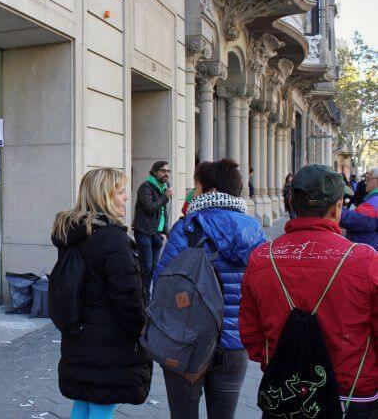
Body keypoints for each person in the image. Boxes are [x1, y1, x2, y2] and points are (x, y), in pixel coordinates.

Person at [240, 164, 377, 418]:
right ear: (337, 208)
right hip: (351, 394)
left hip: (286, 391)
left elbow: (251, 335)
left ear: (291, 202)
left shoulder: (261, 258)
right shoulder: (365, 260)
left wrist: (281, 361)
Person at [154, 159, 266, 419]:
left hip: (186, 341)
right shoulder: (255, 231)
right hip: (235, 342)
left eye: (197, 187)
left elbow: (162, 284)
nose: (193, 192)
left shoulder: (188, 227)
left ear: (211, 191)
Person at [51, 168, 152, 419]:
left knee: (85, 403)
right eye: (119, 192)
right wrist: (140, 329)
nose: (126, 198)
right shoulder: (111, 239)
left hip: (81, 334)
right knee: (101, 406)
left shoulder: (75, 232)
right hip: (110, 340)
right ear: (102, 197)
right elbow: (127, 295)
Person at [132, 161, 173, 295]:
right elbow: (150, 208)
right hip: (144, 232)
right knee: (146, 266)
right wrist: (165, 196)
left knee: (154, 267)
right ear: (154, 172)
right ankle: (141, 295)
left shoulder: (161, 188)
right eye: (162, 170)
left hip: (157, 233)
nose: (166, 173)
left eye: (168, 171)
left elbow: (162, 212)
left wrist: (165, 232)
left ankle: (147, 296)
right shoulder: (146, 187)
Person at [340, 167, 378, 250]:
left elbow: (352, 220)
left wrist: (336, 207)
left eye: (368, 178)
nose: (365, 182)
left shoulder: (375, 202)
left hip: (367, 250)